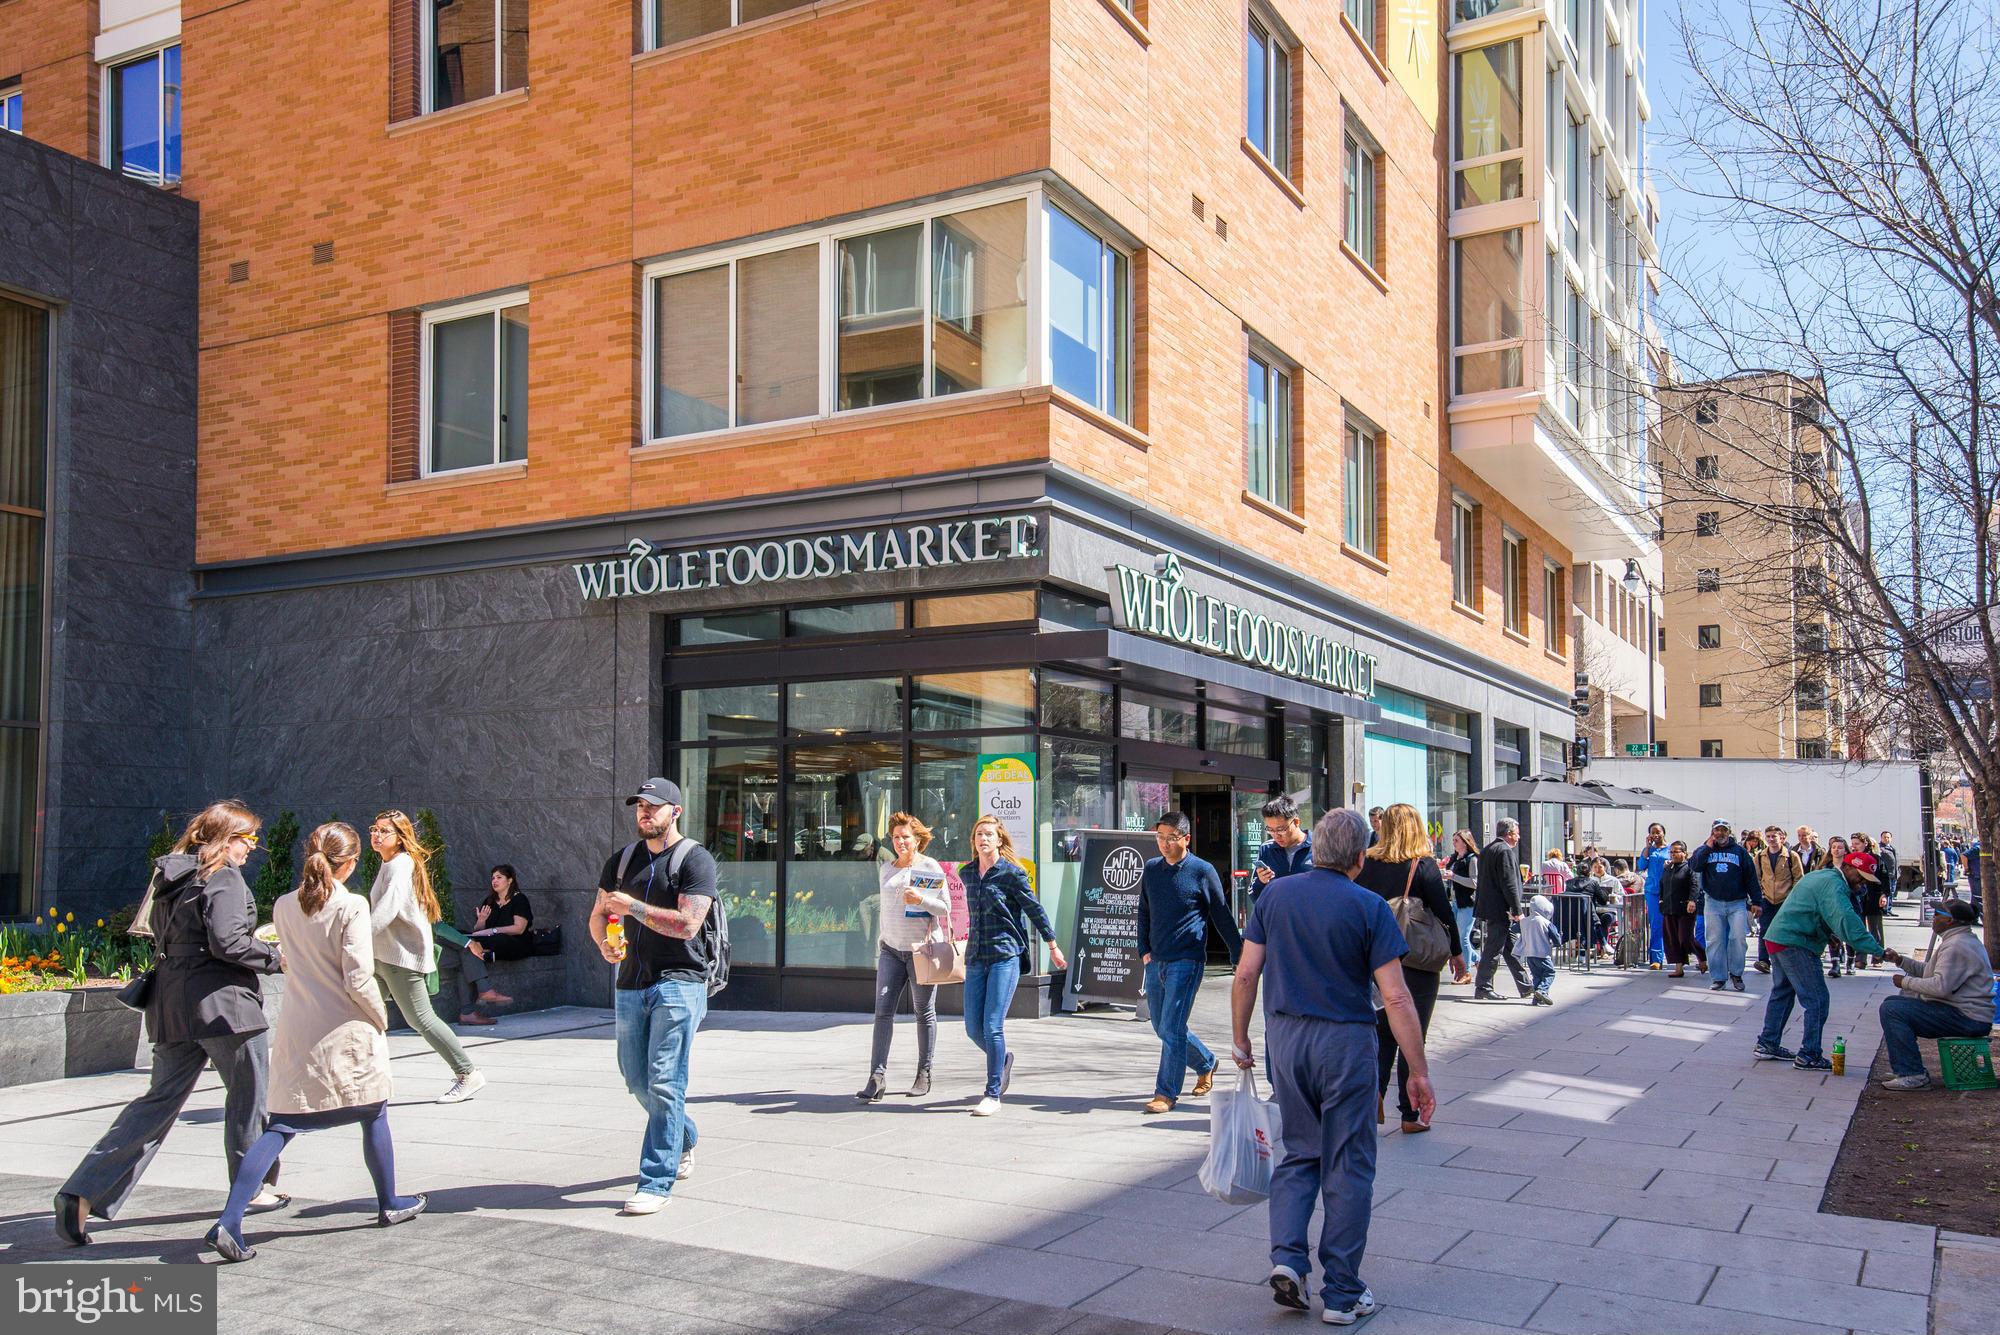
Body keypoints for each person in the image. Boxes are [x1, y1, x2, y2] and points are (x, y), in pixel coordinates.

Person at [1231, 808, 1433, 1325]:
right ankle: (1342, 1292)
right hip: (1345, 1041)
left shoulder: (1275, 895)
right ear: (1359, 857)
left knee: (1300, 1152)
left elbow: (1246, 973)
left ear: (1316, 848)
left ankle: (1288, 1259)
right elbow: (1396, 997)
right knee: (1348, 1164)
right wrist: (1417, 1070)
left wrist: (1240, 1038)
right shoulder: (1368, 907)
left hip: (1286, 1039)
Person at [54, 801, 286, 1246]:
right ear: (228, 839)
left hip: (171, 1006)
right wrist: (275, 957)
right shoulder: (223, 876)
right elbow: (229, 942)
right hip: (225, 1007)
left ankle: (81, 1192)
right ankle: (251, 1189)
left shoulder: (172, 876)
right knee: (249, 1098)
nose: (252, 849)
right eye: (249, 839)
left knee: (156, 1103)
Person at [206, 824, 425, 1261]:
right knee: (373, 1110)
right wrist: (379, 1016)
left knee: (282, 1126)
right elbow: (358, 976)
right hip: (345, 1027)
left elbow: (288, 961)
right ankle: (389, 1203)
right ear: (351, 864)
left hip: (299, 1027)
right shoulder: (352, 905)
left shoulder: (284, 906)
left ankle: (229, 1219)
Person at [591, 777, 719, 1215]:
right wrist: (604, 943)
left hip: (680, 981)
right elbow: (598, 914)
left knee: (665, 1079)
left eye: (654, 806)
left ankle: (656, 1181)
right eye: (640, 806)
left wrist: (633, 908)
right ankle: (683, 1134)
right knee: (636, 1079)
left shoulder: (694, 859)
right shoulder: (622, 861)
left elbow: (688, 924)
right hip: (631, 982)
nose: (645, 812)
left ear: (675, 811)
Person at [1355, 803, 1463, 1132]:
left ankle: (1373, 1097)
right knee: (1412, 1035)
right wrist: (1457, 954)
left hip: (1375, 959)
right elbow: (1444, 913)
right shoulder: (1422, 864)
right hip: (1417, 960)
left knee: (1383, 1033)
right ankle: (1409, 1115)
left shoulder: (1366, 862)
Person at [367, 811, 483, 1103]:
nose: (376, 835)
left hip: (400, 958)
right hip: (383, 957)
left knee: (421, 1019)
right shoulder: (389, 863)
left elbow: (386, 910)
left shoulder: (400, 864)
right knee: (361, 1013)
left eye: (384, 831)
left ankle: (467, 1073)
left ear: (400, 838)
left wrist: (353, 939)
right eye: (374, 829)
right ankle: (360, 1082)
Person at [960, 813, 1067, 1117]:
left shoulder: (1011, 874)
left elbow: (1035, 910)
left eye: (989, 834)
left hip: (1005, 955)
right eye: (979, 834)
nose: (983, 839)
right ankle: (1003, 1058)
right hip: (976, 956)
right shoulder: (967, 873)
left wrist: (1052, 945)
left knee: (992, 1025)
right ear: (973, 841)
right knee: (972, 1028)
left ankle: (992, 1093)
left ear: (1000, 840)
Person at [1137, 811, 1240, 1114]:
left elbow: (1221, 913)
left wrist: (1238, 953)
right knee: (1162, 1026)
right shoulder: (1152, 869)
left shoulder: (1202, 871)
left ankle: (1166, 1092)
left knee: (1172, 1026)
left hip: (1187, 959)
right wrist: (1143, 949)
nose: (1164, 843)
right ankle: (1206, 1062)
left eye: (1171, 838)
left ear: (1186, 839)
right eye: (1159, 837)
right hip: (1156, 959)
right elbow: (1144, 911)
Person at [1755, 852, 1887, 1070]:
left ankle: (1767, 1043)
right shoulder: (1834, 885)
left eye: (1866, 880)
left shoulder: (1821, 876)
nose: (1862, 884)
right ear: (1848, 868)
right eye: (1860, 877)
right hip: (1796, 942)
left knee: (1783, 993)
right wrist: (1878, 950)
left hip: (1778, 937)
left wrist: (1827, 934)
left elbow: (1811, 909)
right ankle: (1809, 1054)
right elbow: (1846, 920)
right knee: (1817, 999)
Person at [859, 812, 949, 1102]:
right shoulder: (887, 869)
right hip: (890, 950)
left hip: (921, 951)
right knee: (882, 1012)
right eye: (896, 837)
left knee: (924, 1012)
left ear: (917, 839)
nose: (900, 842)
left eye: (905, 837)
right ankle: (876, 1077)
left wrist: (921, 899)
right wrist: (881, 940)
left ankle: (924, 1072)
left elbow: (945, 908)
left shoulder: (928, 866)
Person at [1877, 899, 1994, 1090]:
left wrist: (1905, 982)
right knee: (1892, 1003)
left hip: (1968, 1018)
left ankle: (1913, 1074)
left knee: (1892, 1009)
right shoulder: (1959, 940)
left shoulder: (1957, 945)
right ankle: (1906, 1067)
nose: (1933, 918)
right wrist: (1900, 961)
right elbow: (1931, 972)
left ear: (1950, 921)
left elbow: (1940, 986)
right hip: (1965, 1014)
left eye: (1937, 915)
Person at [1690, 820, 1759, 993]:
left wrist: (1757, 901)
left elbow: (1751, 877)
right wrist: (1707, 848)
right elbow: (1695, 866)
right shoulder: (1705, 850)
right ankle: (1718, 978)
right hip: (1713, 902)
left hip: (1737, 902)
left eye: (1723, 830)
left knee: (1738, 938)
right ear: (1712, 832)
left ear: (1729, 832)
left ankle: (1736, 974)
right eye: (1717, 830)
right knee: (1714, 940)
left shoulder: (1740, 852)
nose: (1720, 833)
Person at [455, 864, 529, 1026]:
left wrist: (493, 931)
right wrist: (481, 920)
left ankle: (481, 956)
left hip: (514, 943)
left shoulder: (519, 899)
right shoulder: (489, 901)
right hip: (490, 942)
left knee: (492, 940)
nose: (494, 881)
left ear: (510, 880)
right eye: (493, 878)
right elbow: (478, 932)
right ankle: (482, 959)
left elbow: (519, 928)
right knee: (462, 938)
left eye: (499, 877)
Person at [1473, 818, 1532, 1000]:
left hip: (1492, 906)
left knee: (1510, 949)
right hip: (1501, 909)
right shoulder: (1504, 851)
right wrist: (1517, 910)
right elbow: (1508, 883)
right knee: (1493, 949)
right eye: (1517, 833)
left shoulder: (1488, 850)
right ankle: (1483, 986)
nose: (1519, 837)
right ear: (1509, 834)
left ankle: (1525, 986)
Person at [1752, 827, 1806, 976]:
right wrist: (1759, 896)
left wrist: (1793, 898)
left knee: (1786, 930)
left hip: (1785, 899)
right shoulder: (1760, 856)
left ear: (1781, 838)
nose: (1771, 839)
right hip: (1767, 899)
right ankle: (1764, 960)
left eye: (1774, 836)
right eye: (1768, 836)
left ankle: (1787, 960)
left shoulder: (1791, 856)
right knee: (1765, 930)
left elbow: (1798, 878)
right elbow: (1756, 877)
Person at [1253, 795, 1314, 905]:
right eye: (1270, 830)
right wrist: (1261, 882)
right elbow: (1254, 896)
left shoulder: (1320, 846)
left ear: (1296, 822)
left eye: (1281, 830)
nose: (1276, 836)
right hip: (1278, 914)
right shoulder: (1266, 849)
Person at [1660, 841, 1706, 976]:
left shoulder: (1690, 867)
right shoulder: (1668, 868)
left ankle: (1702, 956)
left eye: (1676, 851)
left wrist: (1692, 900)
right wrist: (1661, 901)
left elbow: (1695, 885)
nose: (1673, 854)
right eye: (1671, 852)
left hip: (1685, 908)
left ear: (1684, 853)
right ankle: (1678, 968)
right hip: (1669, 907)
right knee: (1673, 938)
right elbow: (1662, 885)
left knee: (1685, 937)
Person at [1849, 833, 1889, 968]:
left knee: (1875, 928)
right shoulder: (1851, 859)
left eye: (1857, 844)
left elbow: (1884, 877)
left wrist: (1884, 894)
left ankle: (1878, 956)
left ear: (1865, 843)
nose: (1854, 846)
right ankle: (1860, 958)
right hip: (1857, 897)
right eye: (1853, 844)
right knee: (1859, 928)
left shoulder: (1876, 858)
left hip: (1874, 896)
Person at [1444, 829, 1480, 978]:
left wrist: (1454, 876)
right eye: (1453, 840)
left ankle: (1466, 971)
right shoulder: (1454, 858)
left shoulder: (1472, 859)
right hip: (1455, 901)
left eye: (1456, 840)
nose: (1454, 843)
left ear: (1465, 842)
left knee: (1463, 937)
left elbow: (1474, 883)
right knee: (1454, 937)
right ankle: (1477, 960)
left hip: (1467, 902)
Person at [1517, 888, 1560, 1006]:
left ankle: (1536, 999)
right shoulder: (1546, 922)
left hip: (1529, 954)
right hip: (1542, 953)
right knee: (1549, 973)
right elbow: (1556, 937)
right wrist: (1556, 943)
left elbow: (1514, 929)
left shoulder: (1524, 921)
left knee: (1537, 976)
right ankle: (1542, 991)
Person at [1637, 823, 1670, 969]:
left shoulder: (1670, 849)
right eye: (1652, 832)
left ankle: (1675, 955)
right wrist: (1647, 847)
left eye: (1658, 832)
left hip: (1669, 890)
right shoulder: (1649, 850)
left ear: (1664, 833)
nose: (1656, 835)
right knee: (1656, 923)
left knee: (1671, 924)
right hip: (1653, 891)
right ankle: (1656, 958)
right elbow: (1641, 866)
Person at [1574, 858, 1622, 959]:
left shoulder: (1614, 880)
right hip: (1593, 911)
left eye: (1600, 867)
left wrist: (1613, 897)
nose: (1597, 869)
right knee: (1589, 921)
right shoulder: (1589, 881)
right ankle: (1598, 947)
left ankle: (1602, 949)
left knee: (1604, 919)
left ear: (1605, 867)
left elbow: (1621, 895)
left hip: (1609, 910)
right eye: (1595, 867)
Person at [1822, 835, 1853, 975]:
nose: (1836, 850)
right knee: (1833, 934)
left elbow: (1861, 887)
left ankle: (1850, 961)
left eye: (1840, 847)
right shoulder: (1825, 867)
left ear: (1845, 850)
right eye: (1833, 847)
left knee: (1849, 934)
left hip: (1848, 904)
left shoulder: (1851, 867)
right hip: (1831, 905)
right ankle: (1835, 964)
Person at [1877, 831, 1901, 906]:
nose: (1886, 839)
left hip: (1894, 875)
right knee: (1886, 893)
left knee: (1891, 893)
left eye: (1888, 837)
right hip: (1887, 875)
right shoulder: (1880, 848)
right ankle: (1885, 909)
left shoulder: (1892, 848)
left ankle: (1889, 909)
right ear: (1881, 838)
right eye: (1884, 837)